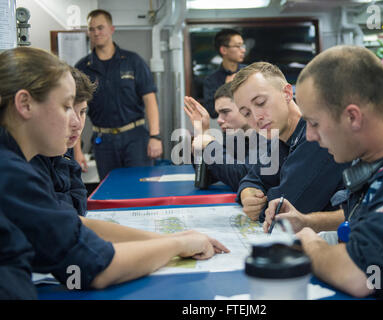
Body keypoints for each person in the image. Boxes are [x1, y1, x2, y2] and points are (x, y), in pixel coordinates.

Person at [0, 46, 228, 291]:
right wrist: (178, 246)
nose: (74, 122)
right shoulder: (11, 174)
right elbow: (95, 266)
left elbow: (69, 226)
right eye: (66, 107)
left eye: (80, 111)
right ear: (24, 104)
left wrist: (173, 239)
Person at [266, 45, 383, 299]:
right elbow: (374, 215)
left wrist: (309, 243)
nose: (309, 135)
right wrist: (307, 222)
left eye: (315, 123)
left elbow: (363, 274)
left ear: (352, 117)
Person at [229, 62, 348, 222]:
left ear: (287, 93)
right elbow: (252, 178)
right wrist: (249, 195)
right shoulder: (280, 140)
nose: (257, 118)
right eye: (246, 113)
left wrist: (260, 206)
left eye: (261, 103)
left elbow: (286, 210)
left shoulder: (317, 138)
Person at [75, 9, 162, 180]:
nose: (96, 33)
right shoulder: (82, 68)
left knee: (141, 189)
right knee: (110, 192)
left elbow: (150, 100)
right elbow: (76, 110)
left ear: (111, 29)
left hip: (135, 138)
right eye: (91, 29)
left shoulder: (133, 61)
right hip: (103, 141)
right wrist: (77, 151)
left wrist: (155, 136)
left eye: (100, 28)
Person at [30, 66, 95, 216]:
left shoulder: (65, 144)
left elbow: (78, 195)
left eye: (82, 112)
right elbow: (55, 217)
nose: (77, 123)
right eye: (67, 110)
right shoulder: (28, 156)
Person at [184, 82, 267, 191]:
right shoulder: (234, 138)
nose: (218, 120)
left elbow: (244, 178)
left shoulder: (268, 136)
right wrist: (203, 133)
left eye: (225, 112)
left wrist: (210, 145)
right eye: (218, 113)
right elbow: (207, 179)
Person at [202, 29, 246, 118]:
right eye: (238, 46)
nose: (243, 50)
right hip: (229, 129)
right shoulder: (211, 80)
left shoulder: (250, 73)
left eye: (242, 45)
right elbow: (212, 112)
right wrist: (226, 89)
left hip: (255, 128)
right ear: (224, 50)